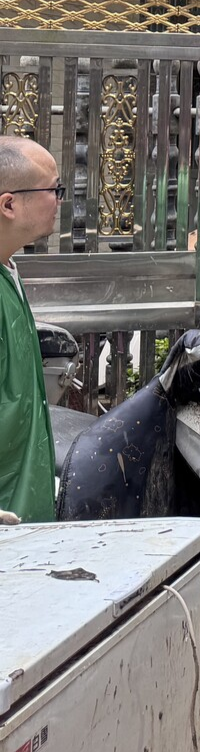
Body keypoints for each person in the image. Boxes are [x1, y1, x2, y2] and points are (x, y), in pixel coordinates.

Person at [0, 137, 59, 523]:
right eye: (53, 189)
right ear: (8, 204)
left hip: (22, 519)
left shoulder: (9, 272)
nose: (58, 199)